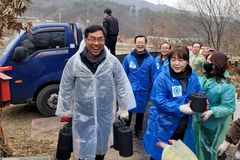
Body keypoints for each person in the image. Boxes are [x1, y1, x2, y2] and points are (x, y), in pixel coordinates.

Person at [55, 25, 136, 160]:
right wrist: (66, 110)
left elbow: (122, 83)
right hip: (82, 114)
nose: (96, 43)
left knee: (101, 148)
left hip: (105, 114)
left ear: (105, 40)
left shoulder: (112, 62)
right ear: (85, 40)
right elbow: (65, 87)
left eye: (100, 39)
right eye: (92, 39)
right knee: (83, 147)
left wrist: (123, 107)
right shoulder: (74, 62)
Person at [143, 46, 202, 160]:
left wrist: (204, 103)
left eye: (180, 60)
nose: (176, 63)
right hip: (163, 125)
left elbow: (199, 91)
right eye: (173, 60)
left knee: (177, 154)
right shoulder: (163, 77)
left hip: (184, 125)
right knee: (160, 155)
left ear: (187, 61)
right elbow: (158, 100)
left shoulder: (192, 76)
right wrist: (179, 108)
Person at [192, 51, 236, 160]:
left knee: (211, 151)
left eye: (210, 61)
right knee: (198, 149)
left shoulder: (226, 86)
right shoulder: (203, 78)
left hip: (215, 126)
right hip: (199, 121)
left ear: (217, 64)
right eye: (207, 59)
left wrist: (212, 111)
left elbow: (229, 107)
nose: (207, 63)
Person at [122, 35, 156, 139]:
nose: (140, 44)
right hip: (130, 90)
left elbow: (154, 77)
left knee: (141, 111)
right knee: (128, 110)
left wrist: (152, 94)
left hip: (143, 90)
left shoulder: (151, 60)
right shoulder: (128, 58)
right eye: (138, 42)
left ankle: (138, 130)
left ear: (145, 44)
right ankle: (125, 129)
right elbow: (123, 75)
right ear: (135, 43)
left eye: (142, 42)